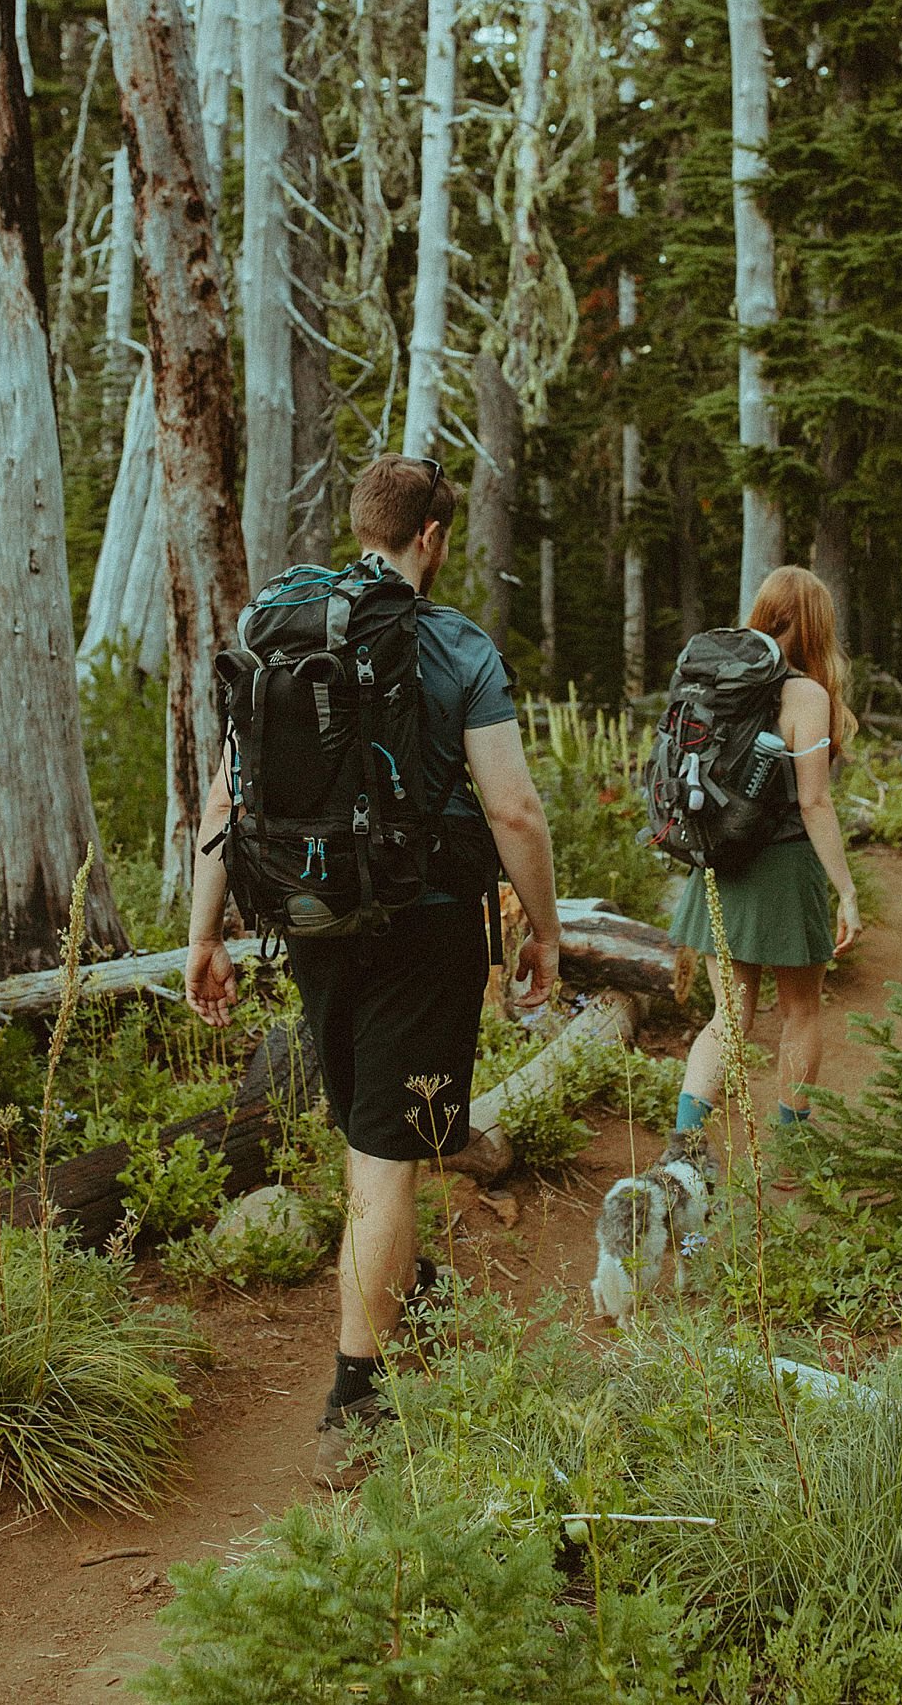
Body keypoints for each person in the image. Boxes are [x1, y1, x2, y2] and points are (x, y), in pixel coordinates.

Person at [183, 452, 561, 1483]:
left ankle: (401, 1276)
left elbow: (223, 804)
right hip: (426, 921)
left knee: (374, 1128)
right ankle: (355, 1401)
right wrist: (547, 930)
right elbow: (514, 808)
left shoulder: (275, 629)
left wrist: (204, 935)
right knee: (387, 1155)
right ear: (430, 538)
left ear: (360, 527)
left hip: (307, 915)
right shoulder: (454, 646)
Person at [669, 565, 861, 1136]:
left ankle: (683, 1147)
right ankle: (794, 1152)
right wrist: (846, 892)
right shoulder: (805, 692)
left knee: (728, 1017)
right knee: (801, 1011)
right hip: (785, 868)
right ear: (815, 626)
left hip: (720, 860)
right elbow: (815, 802)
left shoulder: (718, 684)